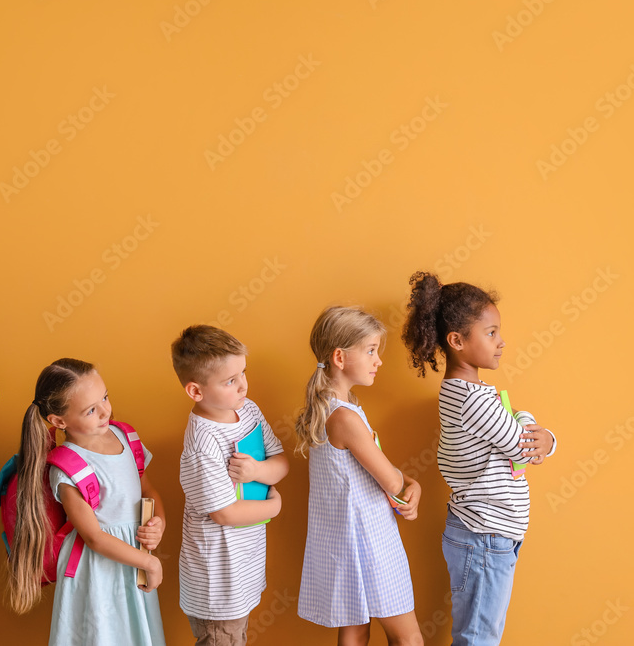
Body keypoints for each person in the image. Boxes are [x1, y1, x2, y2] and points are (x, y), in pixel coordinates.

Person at [401, 272, 557, 646]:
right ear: (457, 341)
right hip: (484, 536)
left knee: (480, 635)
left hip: (488, 534)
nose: (501, 342)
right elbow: (523, 447)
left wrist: (534, 434)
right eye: (491, 333)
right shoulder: (472, 400)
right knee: (478, 638)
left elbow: (516, 436)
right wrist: (538, 428)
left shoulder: (469, 395)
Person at [5, 358, 166, 646]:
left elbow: (148, 490)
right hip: (96, 571)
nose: (105, 411)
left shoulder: (125, 436)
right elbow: (93, 537)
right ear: (59, 421)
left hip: (133, 560)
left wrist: (159, 522)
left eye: (104, 397)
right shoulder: (67, 467)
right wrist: (149, 563)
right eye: (91, 410)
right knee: (101, 636)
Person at [296, 306, 423, 646]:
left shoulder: (334, 410)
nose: (378, 360)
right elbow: (392, 482)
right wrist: (412, 483)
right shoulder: (345, 419)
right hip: (370, 540)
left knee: (355, 631)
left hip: (348, 541)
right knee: (408, 638)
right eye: (370, 351)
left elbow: (368, 471)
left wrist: (405, 480)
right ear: (340, 357)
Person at [172, 325, 288, 646]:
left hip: (243, 568)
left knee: (236, 639)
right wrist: (273, 506)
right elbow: (224, 513)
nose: (243, 385)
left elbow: (280, 464)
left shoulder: (248, 410)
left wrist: (256, 470)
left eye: (242, 373)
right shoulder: (202, 443)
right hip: (217, 581)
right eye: (230, 381)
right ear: (196, 391)